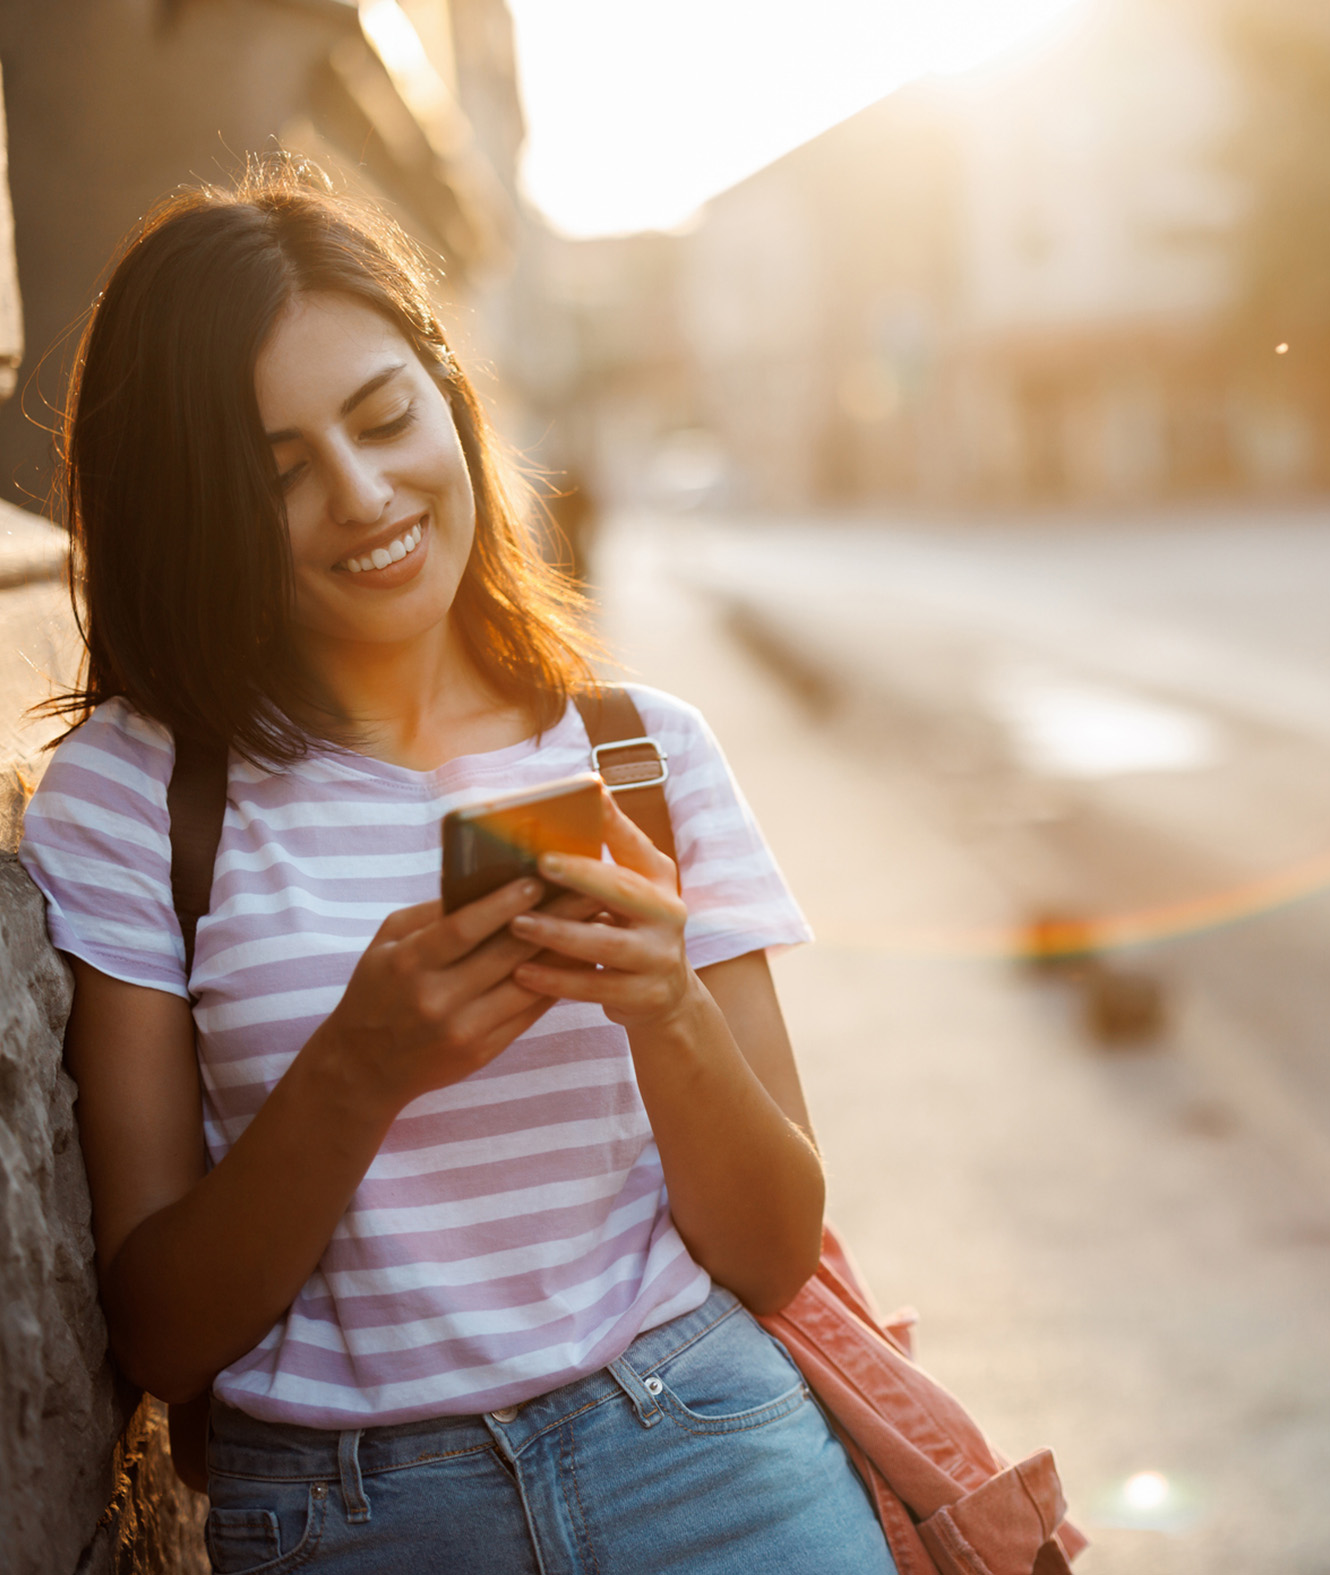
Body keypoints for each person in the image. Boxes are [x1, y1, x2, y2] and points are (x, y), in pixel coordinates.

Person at [18, 160, 895, 1574]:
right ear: (190, 507)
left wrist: (665, 1005)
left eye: (383, 419)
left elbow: (777, 1247)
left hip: (708, 1458)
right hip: (348, 1517)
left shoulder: (644, 759)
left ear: (449, 394)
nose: (365, 496)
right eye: (277, 471)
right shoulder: (136, 797)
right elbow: (163, 1329)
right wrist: (358, 1069)